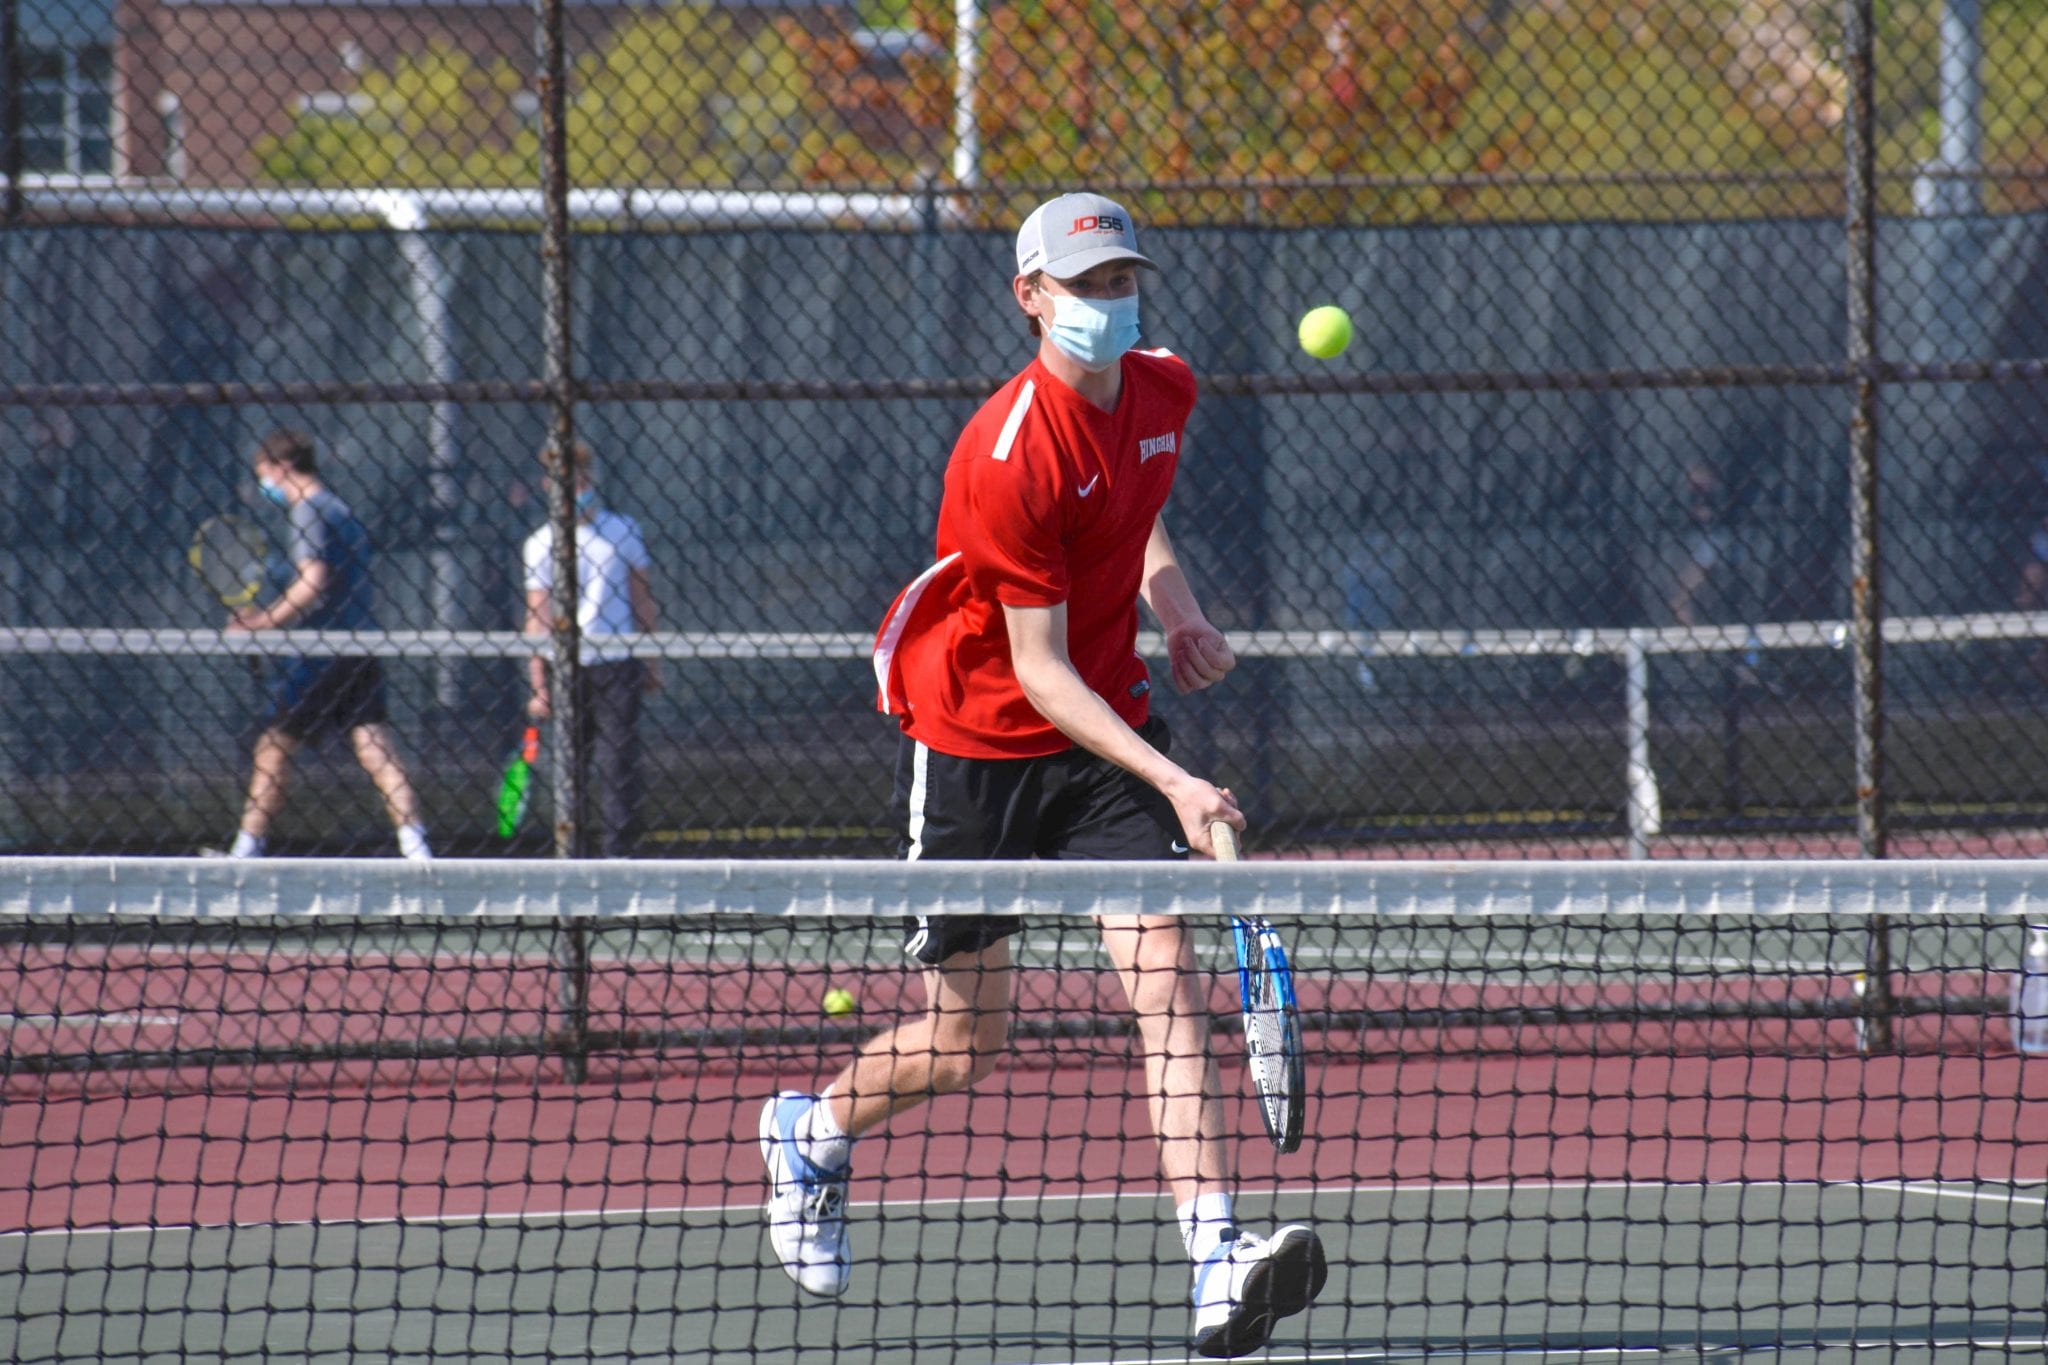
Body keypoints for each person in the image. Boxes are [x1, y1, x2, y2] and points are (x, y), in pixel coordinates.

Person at [758, 192, 1325, 1358]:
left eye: (1121, 280)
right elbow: (1039, 669)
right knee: (968, 1039)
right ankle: (808, 1133)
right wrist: (1176, 778)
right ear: (1030, 299)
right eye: (1084, 286)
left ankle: (1216, 1259)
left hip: (1100, 732)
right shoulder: (1005, 454)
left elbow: (1134, 508)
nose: (1109, 303)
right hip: (980, 748)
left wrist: (1179, 611)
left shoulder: (1162, 388)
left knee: (1159, 971)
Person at [220, 428, 431, 859]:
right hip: (360, 648)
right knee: (375, 747)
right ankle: (417, 849)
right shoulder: (342, 511)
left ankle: (245, 853)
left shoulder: (309, 511)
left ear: (281, 468)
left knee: (274, 746)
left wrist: (262, 623)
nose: (266, 489)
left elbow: (312, 584)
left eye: (265, 477)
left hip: (321, 654)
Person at [521, 438, 660, 856]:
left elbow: (642, 601)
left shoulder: (624, 531)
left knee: (620, 765)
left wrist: (652, 661)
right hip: (566, 668)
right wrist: (539, 683)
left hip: (617, 664)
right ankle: (574, 854)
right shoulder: (540, 543)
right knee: (571, 768)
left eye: (581, 480)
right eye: (566, 482)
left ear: (591, 479)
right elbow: (538, 617)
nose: (575, 489)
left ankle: (619, 855)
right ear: (549, 486)